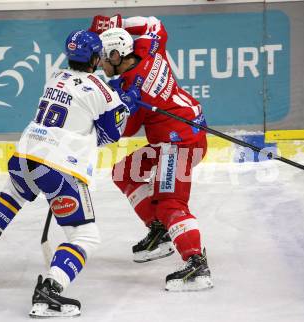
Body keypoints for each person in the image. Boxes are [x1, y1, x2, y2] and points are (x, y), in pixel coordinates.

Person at [0, 29, 140, 318]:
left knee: (16, 191)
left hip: (25, 155)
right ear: (96, 58)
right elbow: (110, 136)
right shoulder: (103, 91)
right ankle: (50, 290)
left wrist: (112, 102)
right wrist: (125, 107)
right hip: (59, 168)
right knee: (85, 237)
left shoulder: (54, 78)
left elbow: (78, 104)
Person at [89, 15, 213, 291]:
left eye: (103, 58)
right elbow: (154, 24)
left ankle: (196, 264)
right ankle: (160, 232)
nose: (100, 64)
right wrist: (114, 24)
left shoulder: (128, 89)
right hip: (181, 135)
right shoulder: (149, 51)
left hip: (178, 145)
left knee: (170, 202)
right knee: (124, 172)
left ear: (116, 54)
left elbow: (127, 130)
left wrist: (120, 107)